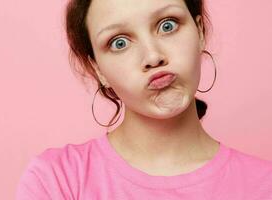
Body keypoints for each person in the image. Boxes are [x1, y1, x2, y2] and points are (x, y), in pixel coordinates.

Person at [16, 0, 272, 199]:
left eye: (167, 25)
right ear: (97, 70)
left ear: (200, 31)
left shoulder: (264, 184)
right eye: (119, 43)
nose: (153, 56)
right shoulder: (57, 180)